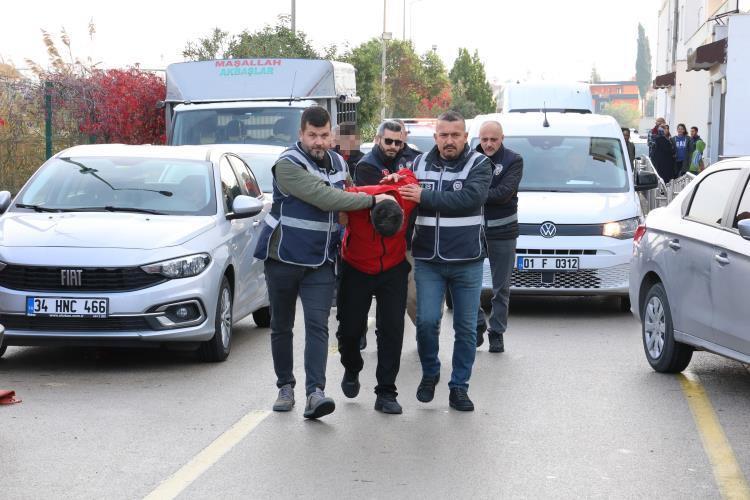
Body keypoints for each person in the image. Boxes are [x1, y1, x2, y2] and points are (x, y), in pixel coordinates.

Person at [253, 106, 393, 420]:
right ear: (301, 135)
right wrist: (373, 200)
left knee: (318, 326)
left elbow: (345, 204)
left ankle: (315, 393)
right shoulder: (286, 165)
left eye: (324, 135)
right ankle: (285, 387)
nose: (319, 141)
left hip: (320, 259)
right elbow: (325, 198)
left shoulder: (340, 163)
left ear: (332, 135)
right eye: (312, 135)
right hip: (284, 257)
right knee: (282, 325)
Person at [398, 110, 492, 412]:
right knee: (426, 322)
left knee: (465, 329)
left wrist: (423, 197)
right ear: (435, 136)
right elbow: (404, 201)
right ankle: (430, 371)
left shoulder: (479, 164)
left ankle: (459, 387)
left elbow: (470, 199)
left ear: (466, 137)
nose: (449, 141)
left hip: (467, 259)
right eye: (443, 135)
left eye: (455, 135)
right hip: (428, 258)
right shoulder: (418, 163)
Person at [337, 169, 418, 414]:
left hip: (393, 268)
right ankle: (352, 367)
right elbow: (338, 197)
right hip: (356, 266)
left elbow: (411, 176)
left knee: (392, 329)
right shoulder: (357, 200)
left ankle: (386, 392)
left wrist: (398, 174)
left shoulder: (406, 197)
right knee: (350, 330)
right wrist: (367, 197)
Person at [474, 121, 523, 354]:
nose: (488, 144)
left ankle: (497, 332)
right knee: (466, 282)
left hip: (503, 232)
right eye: (484, 139)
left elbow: (504, 194)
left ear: (502, 138)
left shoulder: (513, 160)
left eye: (493, 139)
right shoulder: (471, 158)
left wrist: (472, 195)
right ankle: (476, 323)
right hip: (473, 231)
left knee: (501, 287)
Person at [355, 120, 405, 186]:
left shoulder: (401, 161)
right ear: (378, 140)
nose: (393, 146)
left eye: (397, 142)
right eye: (388, 141)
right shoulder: (366, 165)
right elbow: (377, 193)